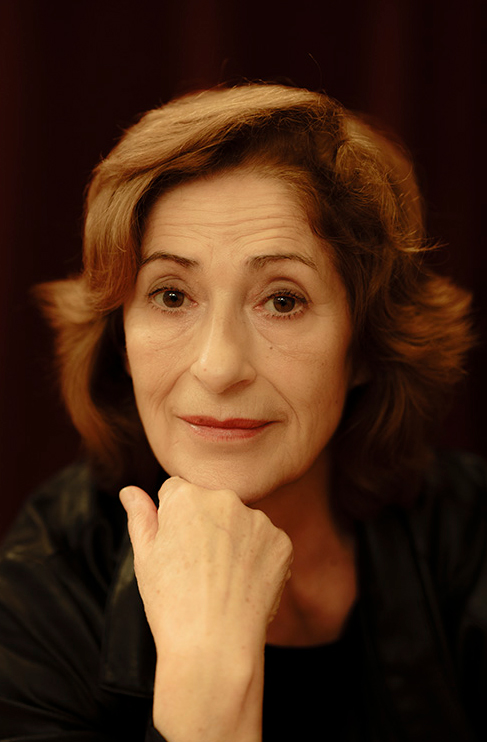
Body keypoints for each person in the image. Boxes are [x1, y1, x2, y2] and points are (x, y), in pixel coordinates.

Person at [0, 82, 485, 742]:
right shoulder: (45, 581)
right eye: (171, 295)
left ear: (366, 344)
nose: (219, 367)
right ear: (121, 338)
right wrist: (206, 672)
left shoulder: (469, 541)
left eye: (282, 300)